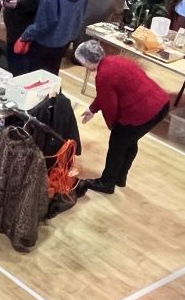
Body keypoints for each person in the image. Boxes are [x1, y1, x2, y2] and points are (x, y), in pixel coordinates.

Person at [73, 40, 170, 195]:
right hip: (160, 105)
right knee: (130, 141)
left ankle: (106, 183)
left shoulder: (103, 75)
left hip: (142, 111)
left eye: (82, 62)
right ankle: (120, 177)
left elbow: (110, 106)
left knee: (117, 146)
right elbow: (109, 92)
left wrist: (115, 129)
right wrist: (93, 109)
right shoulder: (117, 60)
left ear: (87, 61)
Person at [14, 0, 87, 74]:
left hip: (47, 42)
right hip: (65, 40)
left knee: (35, 75)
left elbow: (44, 24)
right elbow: (81, 14)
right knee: (52, 72)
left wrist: (25, 36)